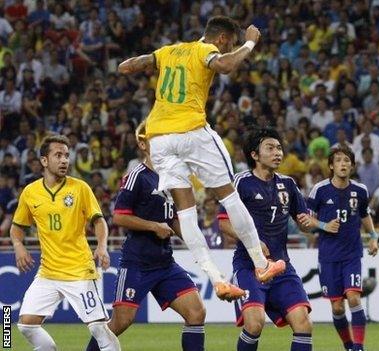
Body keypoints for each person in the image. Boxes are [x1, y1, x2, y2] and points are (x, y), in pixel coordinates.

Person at [117, 16, 285, 287]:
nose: (229, 47)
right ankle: (262, 264)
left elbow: (128, 67)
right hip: (191, 131)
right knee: (229, 196)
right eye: (229, 43)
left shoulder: (168, 51)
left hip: (158, 137)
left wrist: (134, 63)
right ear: (221, 38)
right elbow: (226, 66)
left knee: (185, 211)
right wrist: (250, 43)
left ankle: (216, 280)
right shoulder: (205, 50)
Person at [85, 121, 219, 351]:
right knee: (121, 321)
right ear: (143, 144)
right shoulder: (137, 176)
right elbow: (118, 217)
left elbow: (175, 218)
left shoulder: (174, 176)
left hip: (165, 262)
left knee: (196, 312)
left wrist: (194, 242)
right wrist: (153, 226)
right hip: (137, 262)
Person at [10, 135, 120, 351]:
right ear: (44, 161)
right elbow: (16, 228)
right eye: (58, 155)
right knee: (25, 325)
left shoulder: (80, 188)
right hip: (48, 271)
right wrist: (18, 246)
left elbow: (99, 221)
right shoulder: (30, 192)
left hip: (79, 269)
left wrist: (102, 245)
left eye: (66, 156)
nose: (64, 161)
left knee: (99, 328)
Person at [218, 128, 314, 351]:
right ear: (254, 155)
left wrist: (306, 223)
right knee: (254, 324)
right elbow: (223, 223)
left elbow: (304, 222)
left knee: (304, 324)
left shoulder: (288, 184)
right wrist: (252, 243)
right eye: (270, 148)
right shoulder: (240, 182)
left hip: (281, 267)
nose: (277, 153)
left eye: (279, 148)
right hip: (249, 267)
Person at [303, 146, 379, 351]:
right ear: (331, 165)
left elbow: (364, 215)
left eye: (347, 160)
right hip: (328, 256)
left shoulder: (360, 190)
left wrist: (373, 237)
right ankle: (348, 346)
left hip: (352, 254)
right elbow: (306, 220)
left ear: (352, 166)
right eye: (338, 160)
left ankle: (359, 347)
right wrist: (323, 226)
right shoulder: (319, 190)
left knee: (354, 297)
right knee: (337, 307)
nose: (343, 164)